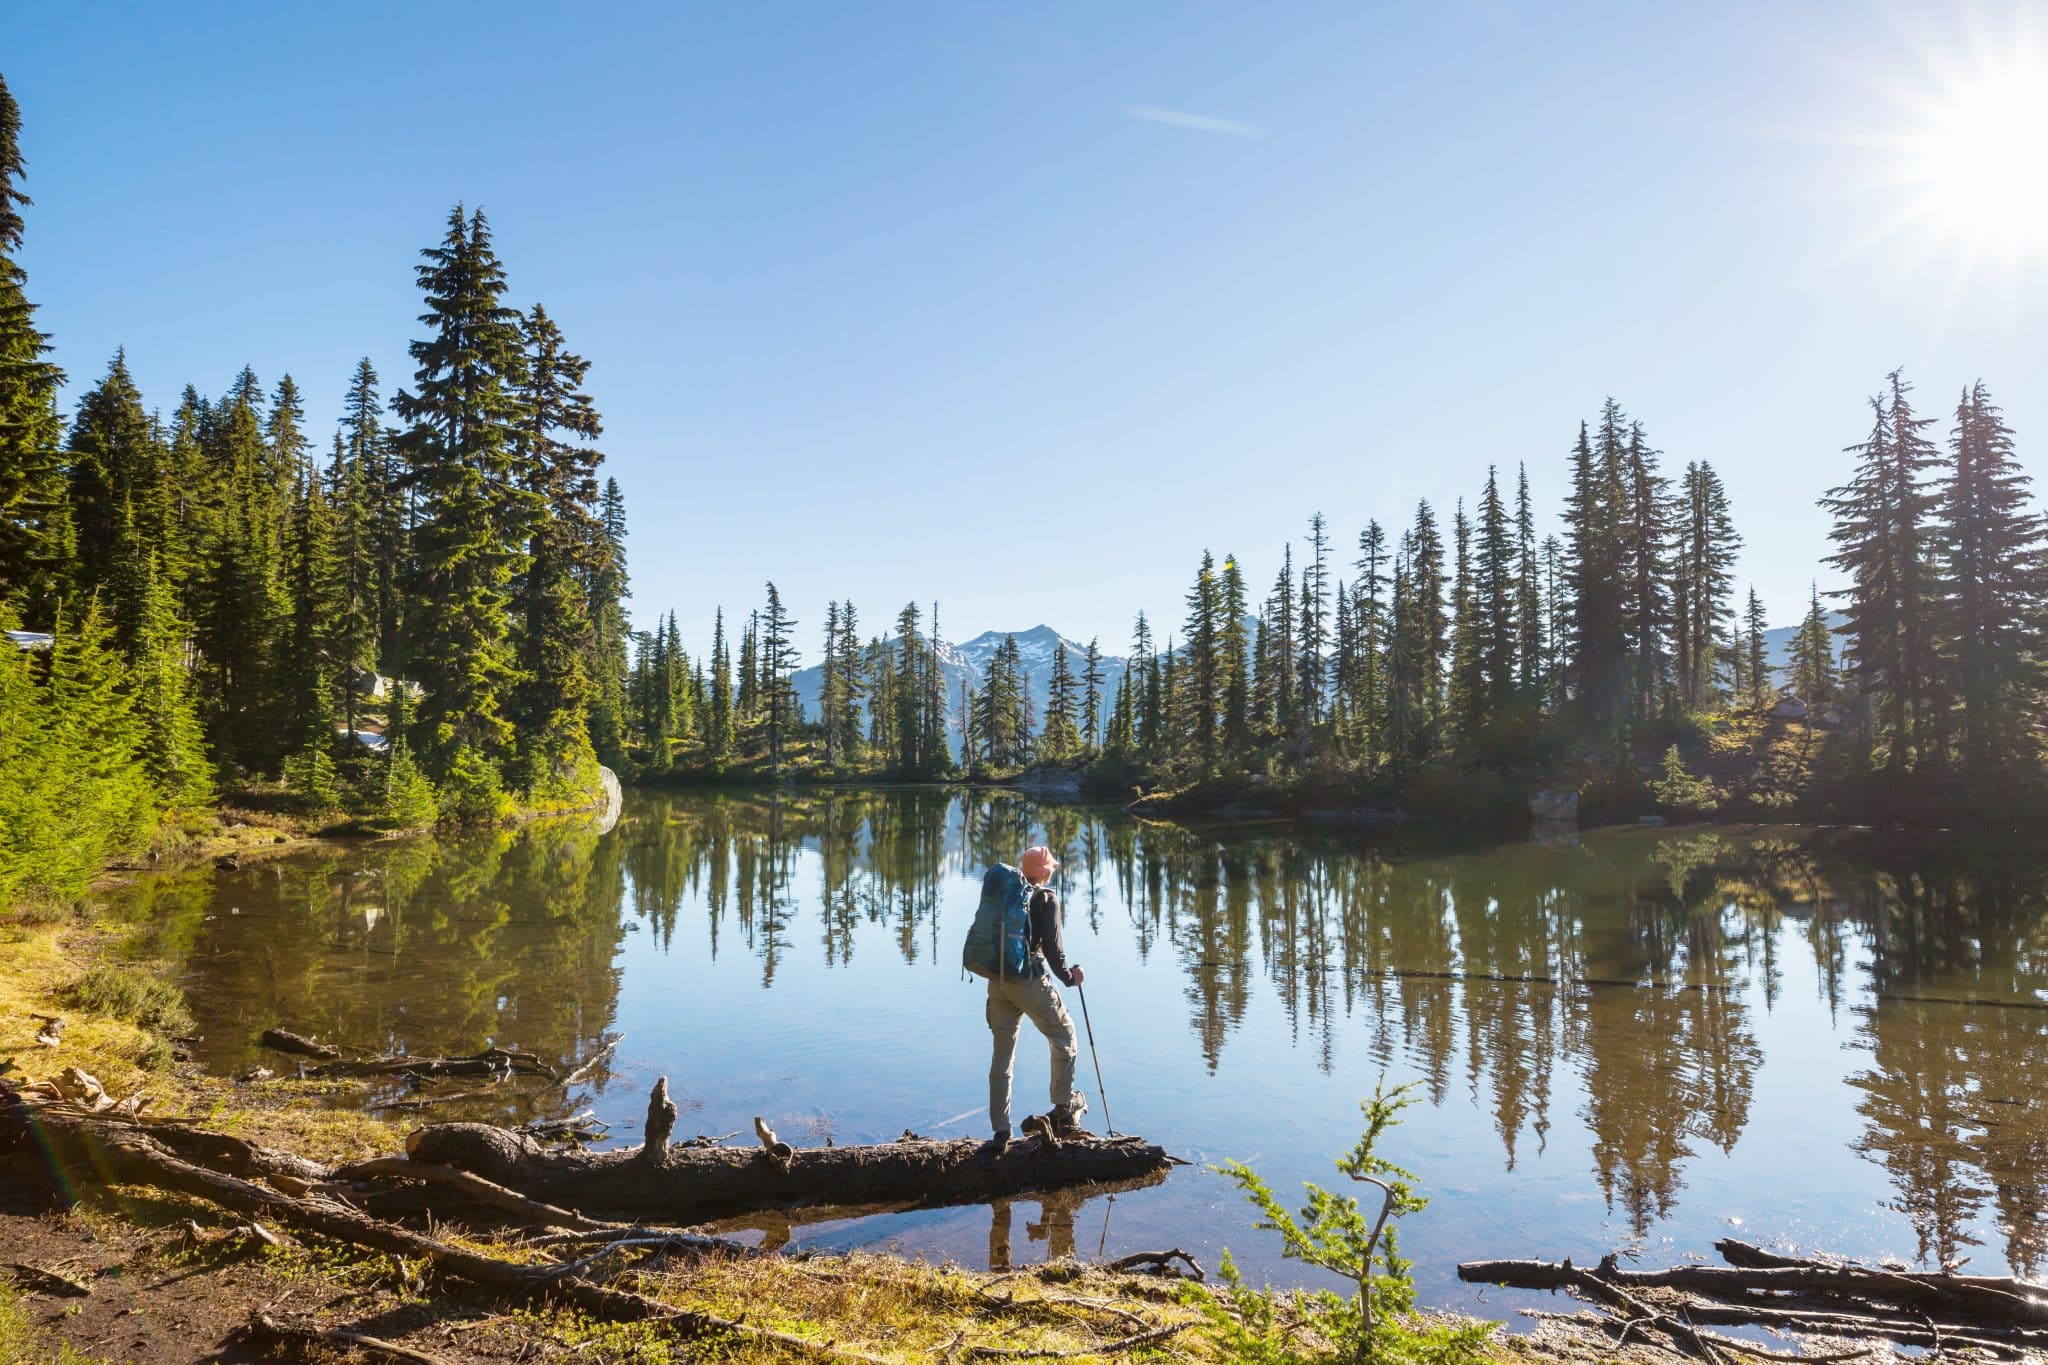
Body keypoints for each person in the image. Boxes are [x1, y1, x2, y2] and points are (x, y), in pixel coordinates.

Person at [986, 844, 1086, 1150]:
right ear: (1044, 872)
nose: (1053, 871)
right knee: (1065, 1036)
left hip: (997, 981)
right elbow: (1055, 952)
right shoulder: (1045, 897)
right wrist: (1071, 977)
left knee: (1002, 1057)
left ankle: (1001, 1132)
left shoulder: (1006, 892)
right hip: (1027, 981)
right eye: (1051, 868)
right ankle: (1062, 1108)